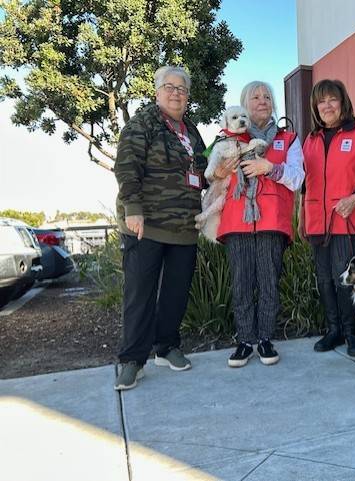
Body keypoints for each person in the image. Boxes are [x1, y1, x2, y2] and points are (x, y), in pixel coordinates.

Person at [113, 66, 208, 390]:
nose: (176, 93)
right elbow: (126, 166)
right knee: (139, 294)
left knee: (175, 293)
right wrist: (133, 210)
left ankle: (166, 347)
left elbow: (203, 172)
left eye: (182, 89)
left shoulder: (192, 132)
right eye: (169, 87)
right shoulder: (143, 123)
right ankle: (132, 360)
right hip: (146, 226)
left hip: (184, 227)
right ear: (157, 91)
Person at [212, 81, 304, 368]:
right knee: (240, 283)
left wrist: (270, 168)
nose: (262, 101)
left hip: (272, 221)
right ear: (244, 104)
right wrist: (219, 170)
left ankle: (265, 339)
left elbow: (298, 178)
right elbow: (211, 174)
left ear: (273, 104)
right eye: (255, 97)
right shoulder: (227, 137)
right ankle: (244, 341)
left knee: (268, 282)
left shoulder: (289, 139)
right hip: (237, 221)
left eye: (267, 96)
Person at [299, 79, 355, 356]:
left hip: (347, 220)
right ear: (315, 107)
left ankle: (352, 332)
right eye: (321, 101)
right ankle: (333, 330)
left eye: (332, 99)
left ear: (342, 103)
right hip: (316, 220)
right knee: (324, 278)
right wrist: (301, 215)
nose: (326, 106)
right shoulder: (310, 140)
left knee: (346, 278)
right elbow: (304, 182)